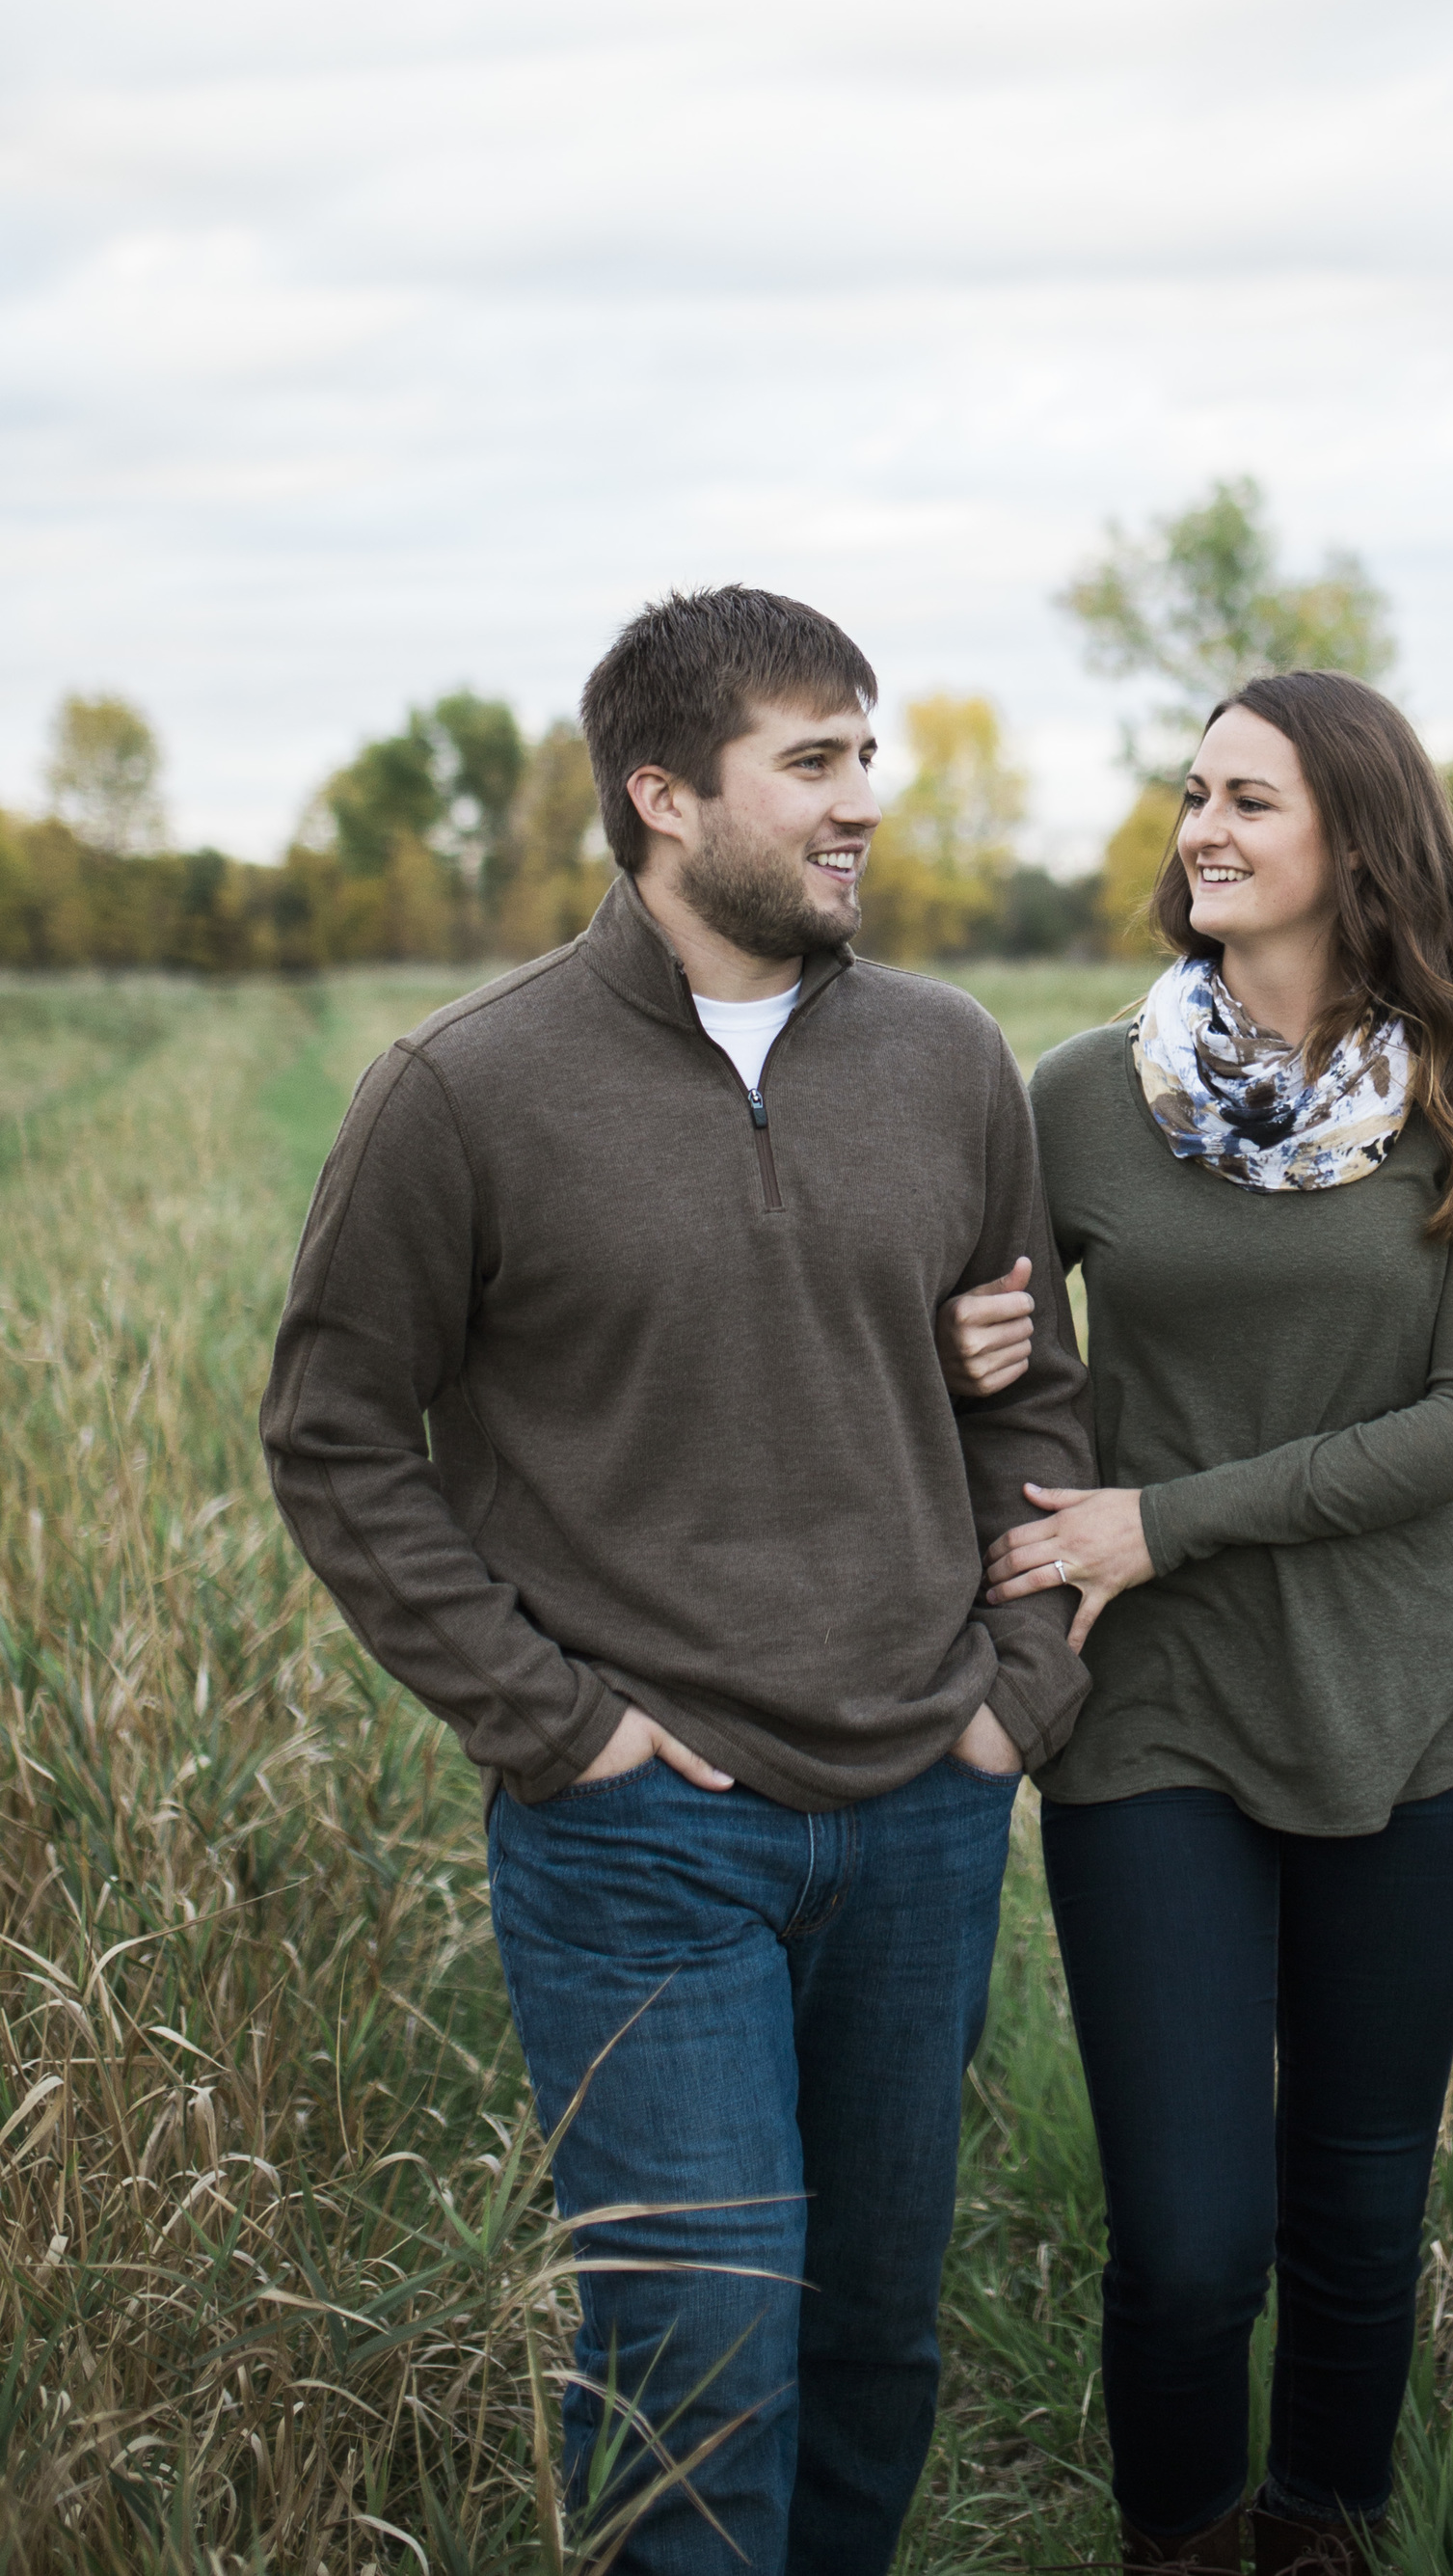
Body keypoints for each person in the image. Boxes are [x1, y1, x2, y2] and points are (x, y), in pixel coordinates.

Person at [259, 584, 1092, 2576]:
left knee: (873, 2342)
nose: (860, 803)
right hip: (642, 1835)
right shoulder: (463, 1090)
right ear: (660, 796)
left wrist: (1019, 1691)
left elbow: (1030, 1393)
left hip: (920, 1802)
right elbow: (335, 1434)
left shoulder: (948, 1061)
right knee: (698, 2350)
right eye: (810, 762)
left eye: (863, 758)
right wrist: (553, 1725)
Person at [939, 669, 1453, 2576]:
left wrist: (1163, 1520)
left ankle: (1325, 2532)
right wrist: (958, 1341)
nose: (1197, 828)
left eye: (1246, 801)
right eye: (1189, 793)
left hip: (1411, 1717)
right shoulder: (1077, 1100)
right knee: (1192, 2239)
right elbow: (989, 1374)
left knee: (1357, 2215)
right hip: (1153, 1730)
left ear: (1355, 842)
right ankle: (1178, 2541)